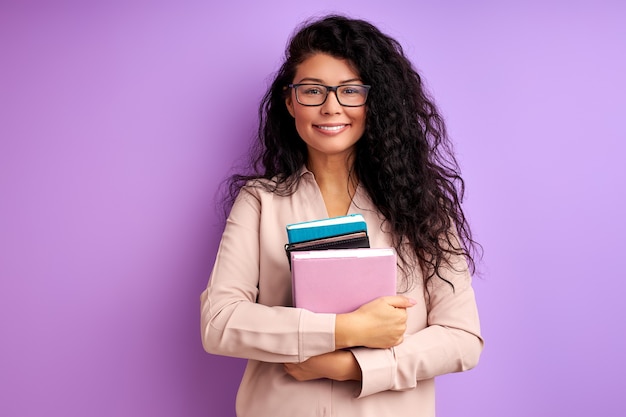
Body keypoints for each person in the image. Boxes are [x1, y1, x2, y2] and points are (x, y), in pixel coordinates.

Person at [200, 14, 483, 417]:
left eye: (350, 91)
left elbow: (462, 337)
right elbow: (220, 323)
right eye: (313, 91)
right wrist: (344, 330)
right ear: (290, 101)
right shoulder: (260, 203)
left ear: (375, 101)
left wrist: (353, 367)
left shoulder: (423, 207)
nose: (331, 107)